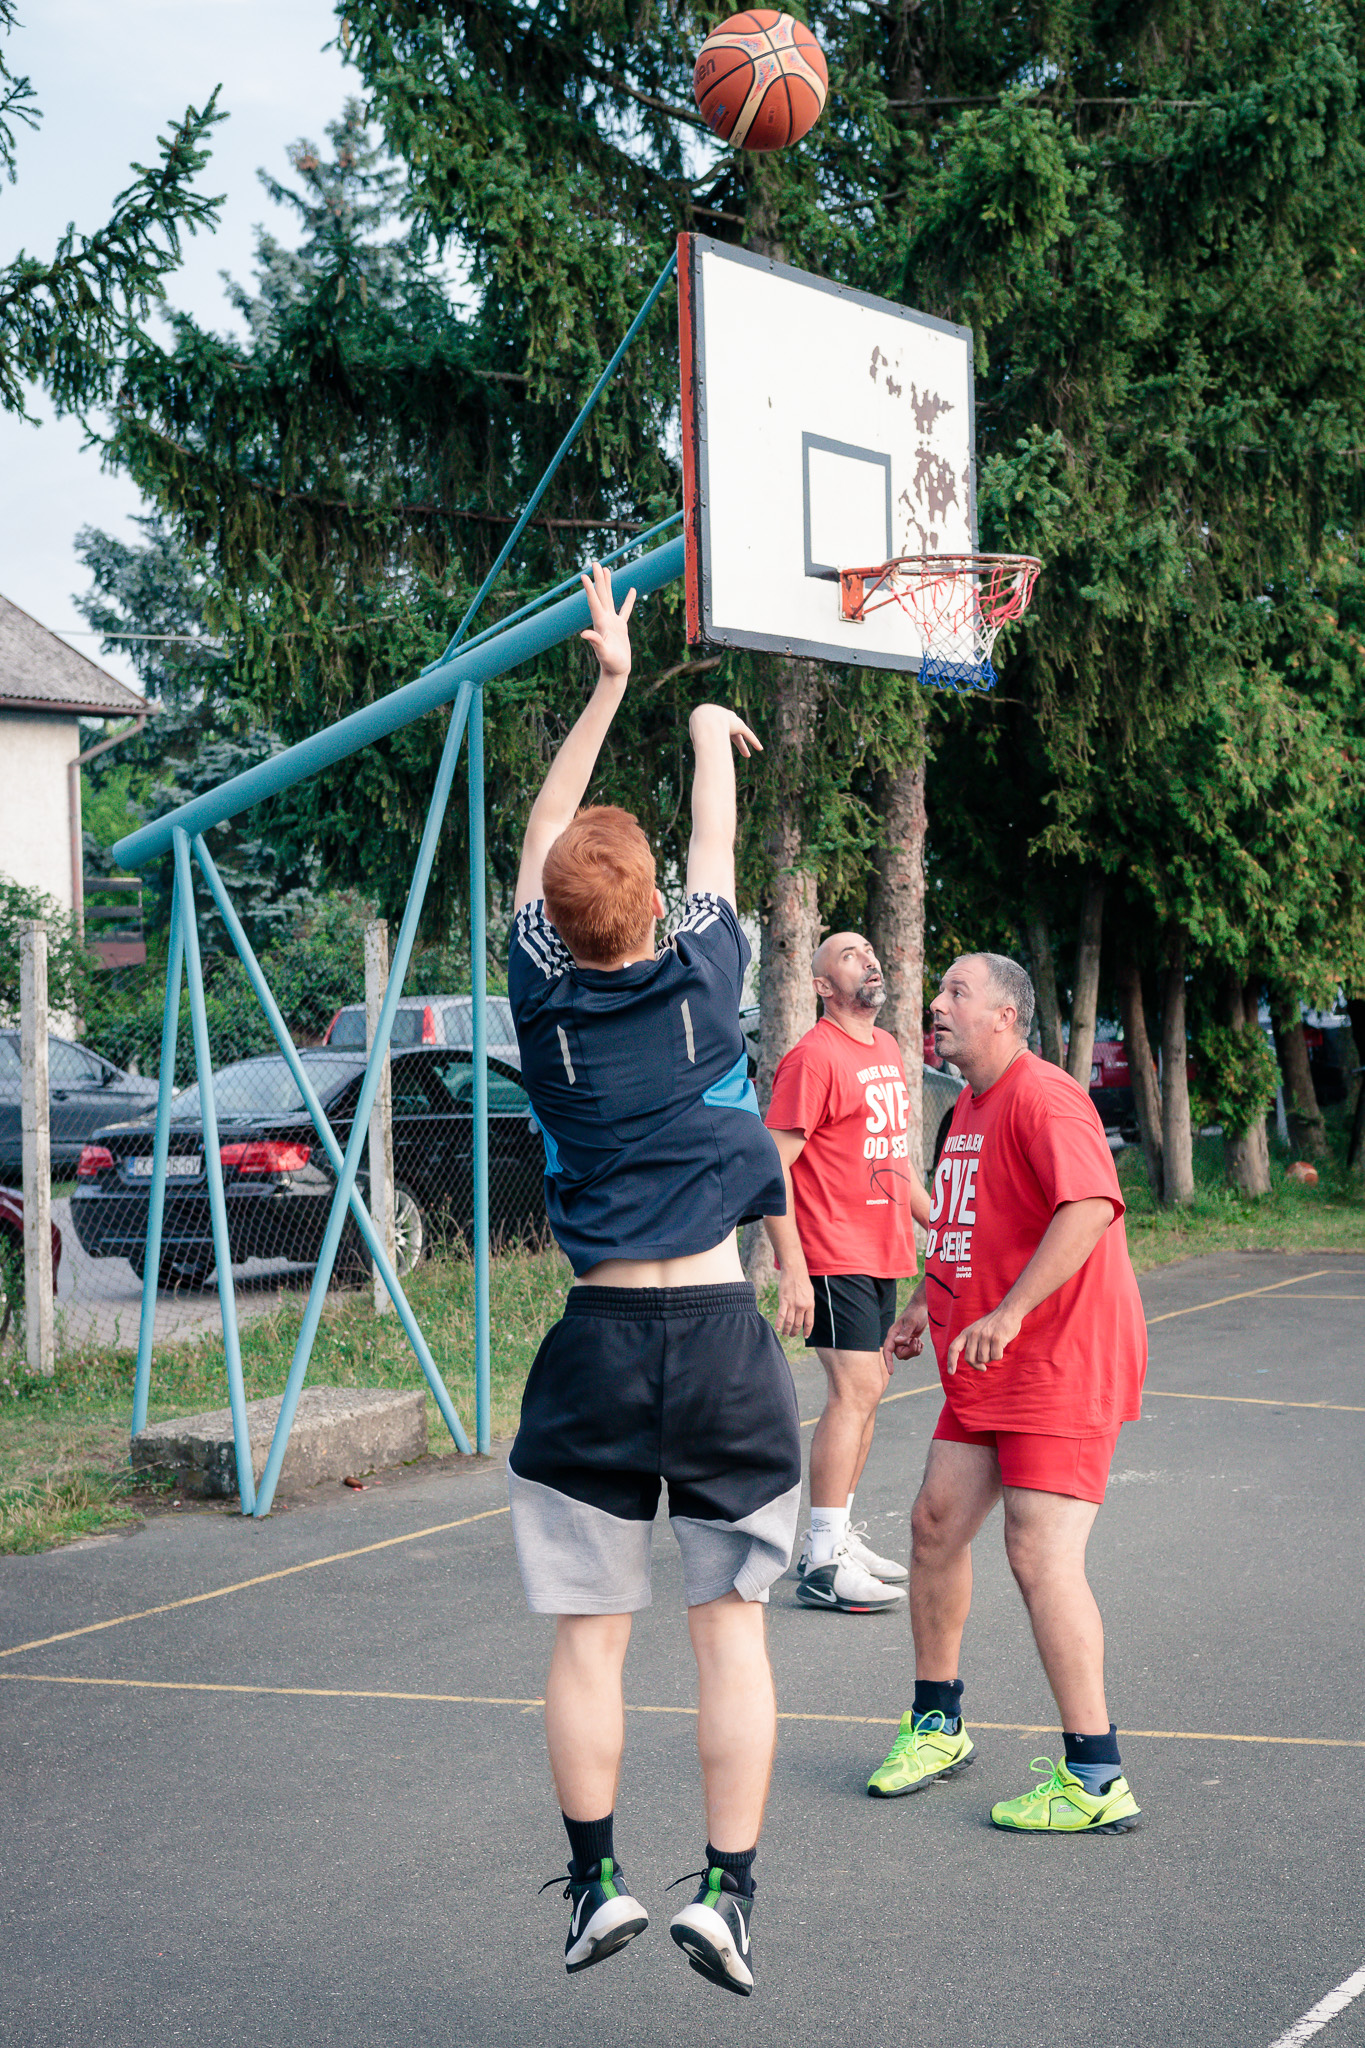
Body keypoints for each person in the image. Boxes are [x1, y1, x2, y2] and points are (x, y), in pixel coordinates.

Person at [506, 563, 801, 1996]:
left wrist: (606, 679)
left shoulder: (538, 987)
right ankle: (729, 1899)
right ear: (652, 910)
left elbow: (545, 839)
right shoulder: (705, 974)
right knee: (729, 1630)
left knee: (588, 1640)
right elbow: (715, 845)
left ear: (559, 918)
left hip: (599, 1343)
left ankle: (594, 1883)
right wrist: (696, 732)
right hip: (722, 1333)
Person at [867, 952, 1147, 1833]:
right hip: (985, 1362)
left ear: (1006, 1015)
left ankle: (1095, 1777)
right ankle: (937, 1723)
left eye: (956, 992)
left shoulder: (1044, 1095)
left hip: (1059, 1358)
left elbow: (1091, 1205)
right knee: (934, 1525)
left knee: (1039, 1555)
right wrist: (921, 1302)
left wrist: (1015, 1311)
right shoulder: (966, 1110)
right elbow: (960, 1224)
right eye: (938, 991)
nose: (936, 1006)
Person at [763, 933, 932, 1613]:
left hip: (880, 1246)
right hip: (831, 1249)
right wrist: (791, 1271)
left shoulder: (886, 1048)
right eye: (847, 954)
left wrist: (939, 1222)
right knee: (854, 1388)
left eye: (868, 949)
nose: (866, 958)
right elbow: (771, 1165)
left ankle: (833, 1538)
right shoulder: (812, 1057)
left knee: (870, 1389)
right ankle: (822, 1562)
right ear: (820, 985)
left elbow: (890, 1156)